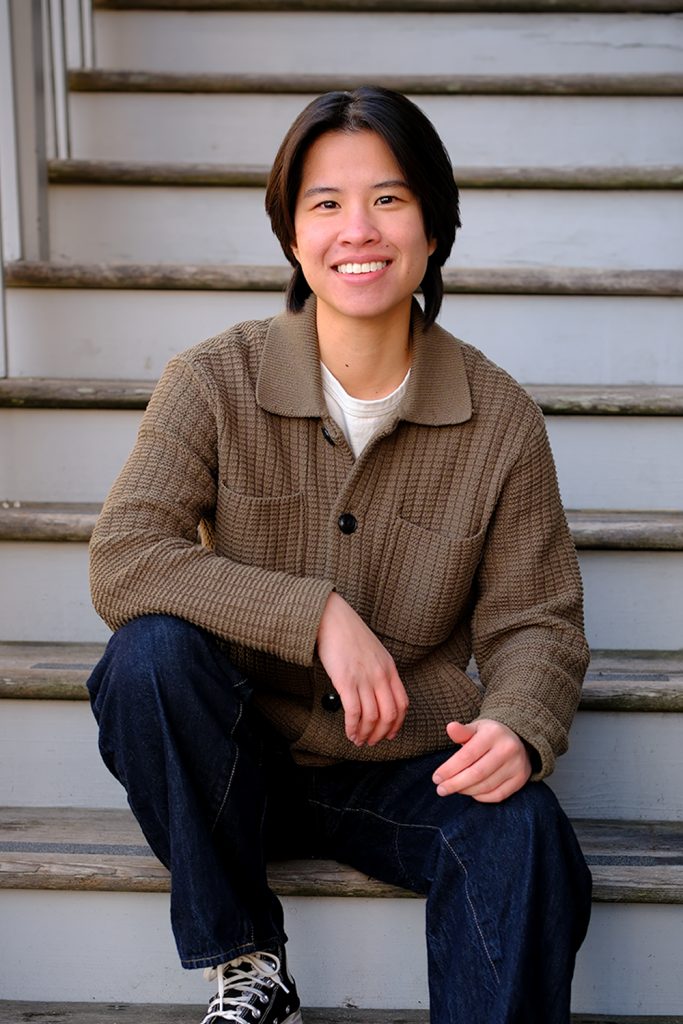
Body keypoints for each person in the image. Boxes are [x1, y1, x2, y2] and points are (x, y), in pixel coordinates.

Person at [87, 87, 592, 1024]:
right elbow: (125, 557)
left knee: (526, 832)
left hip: (401, 766)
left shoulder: (501, 419)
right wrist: (314, 613)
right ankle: (248, 963)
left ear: (433, 228)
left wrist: (518, 725)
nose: (357, 229)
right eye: (325, 203)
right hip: (234, 760)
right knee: (147, 655)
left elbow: (536, 620)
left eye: (388, 199)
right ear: (292, 234)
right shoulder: (213, 379)